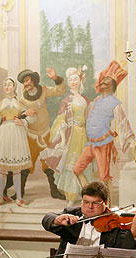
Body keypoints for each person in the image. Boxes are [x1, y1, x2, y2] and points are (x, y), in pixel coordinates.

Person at [73, 60, 135, 206]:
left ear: (112, 85)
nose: (103, 82)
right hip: (91, 143)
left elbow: (123, 121)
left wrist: (130, 139)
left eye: (107, 81)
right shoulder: (96, 100)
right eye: (103, 80)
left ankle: (108, 205)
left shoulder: (115, 103)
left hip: (103, 144)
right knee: (77, 169)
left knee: (104, 176)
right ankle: (89, 197)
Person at [42, 66, 96, 205]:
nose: (73, 82)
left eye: (76, 79)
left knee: (84, 163)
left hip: (84, 135)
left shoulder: (85, 100)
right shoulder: (66, 100)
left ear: (80, 81)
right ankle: (71, 197)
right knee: (72, 163)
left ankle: (84, 194)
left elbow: (90, 117)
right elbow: (61, 121)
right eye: (70, 80)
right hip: (72, 135)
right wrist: (63, 139)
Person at [15, 67, 66, 201]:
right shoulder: (22, 99)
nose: (26, 84)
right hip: (30, 135)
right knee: (26, 164)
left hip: (45, 134)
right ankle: (20, 193)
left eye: (27, 80)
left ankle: (54, 191)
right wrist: (25, 113)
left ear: (33, 80)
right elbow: (17, 115)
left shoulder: (43, 90)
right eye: (24, 82)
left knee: (49, 163)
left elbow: (60, 90)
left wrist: (55, 78)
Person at [0, 77, 34, 207]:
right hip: (4, 133)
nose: (6, 87)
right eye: (5, 85)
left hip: (17, 133)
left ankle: (20, 199)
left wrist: (24, 122)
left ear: (14, 87)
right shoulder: (1, 103)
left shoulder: (20, 103)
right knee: (3, 169)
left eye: (9, 84)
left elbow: (32, 116)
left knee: (17, 169)